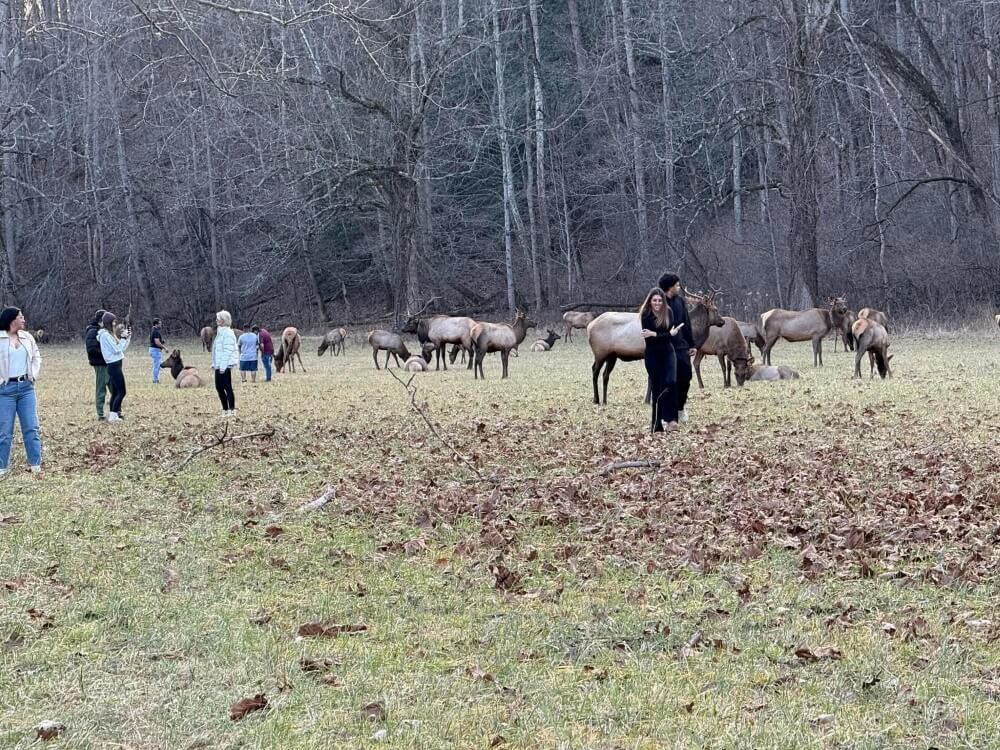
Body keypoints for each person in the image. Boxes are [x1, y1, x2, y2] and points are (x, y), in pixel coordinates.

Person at [0, 307, 42, 476]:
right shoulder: (1, 339)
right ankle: (2, 466)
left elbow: (36, 356)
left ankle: (36, 464)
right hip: (5, 391)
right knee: (4, 431)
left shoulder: (27, 337)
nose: (24, 319)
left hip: (26, 388)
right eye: (21, 317)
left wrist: (33, 374)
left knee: (31, 427)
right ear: (12, 320)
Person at [640, 287, 684, 433]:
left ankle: (672, 420)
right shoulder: (645, 315)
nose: (657, 303)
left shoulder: (668, 312)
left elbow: (669, 336)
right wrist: (664, 334)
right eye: (654, 300)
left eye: (660, 300)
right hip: (652, 355)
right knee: (657, 387)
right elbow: (651, 340)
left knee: (671, 382)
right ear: (650, 301)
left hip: (668, 353)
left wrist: (656, 334)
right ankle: (656, 423)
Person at [658, 272, 696, 424]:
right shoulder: (658, 302)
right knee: (668, 381)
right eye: (677, 285)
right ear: (670, 287)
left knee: (685, 378)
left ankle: (680, 408)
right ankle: (666, 415)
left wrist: (692, 344)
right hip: (664, 347)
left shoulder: (680, 301)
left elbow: (686, 323)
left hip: (681, 347)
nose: (679, 287)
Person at [98, 312, 130, 422]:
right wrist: (123, 338)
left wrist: (127, 338)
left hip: (116, 364)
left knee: (116, 392)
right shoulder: (105, 336)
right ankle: (113, 415)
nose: (115, 323)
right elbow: (116, 349)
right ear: (109, 322)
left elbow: (121, 349)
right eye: (113, 321)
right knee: (122, 391)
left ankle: (113, 414)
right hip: (113, 365)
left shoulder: (108, 334)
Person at [211, 310, 238, 416]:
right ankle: (225, 409)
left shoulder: (228, 333)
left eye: (218, 318)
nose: (216, 320)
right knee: (219, 387)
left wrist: (223, 365)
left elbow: (227, 350)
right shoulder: (220, 332)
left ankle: (231, 410)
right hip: (219, 364)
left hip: (225, 365)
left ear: (223, 321)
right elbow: (216, 350)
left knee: (227, 387)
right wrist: (215, 364)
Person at [85, 309, 110, 420]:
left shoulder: (103, 330)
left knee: (114, 387)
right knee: (101, 388)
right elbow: (91, 349)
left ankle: (115, 411)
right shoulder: (93, 331)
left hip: (108, 362)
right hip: (100, 363)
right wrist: (104, 354)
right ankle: (100, 414)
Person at [149, 318, 167, 384]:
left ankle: (156, 379)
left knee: (158, 365)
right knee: (156, 366)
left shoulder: (153, 330)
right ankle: (155, 381)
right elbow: (157, 342)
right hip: (155, 350)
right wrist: (165, 348)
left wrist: (162, 341)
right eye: (160, 323)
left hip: (154, 350)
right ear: (156, 324)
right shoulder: (155, 331)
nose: (161, 324)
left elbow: (156, 341)